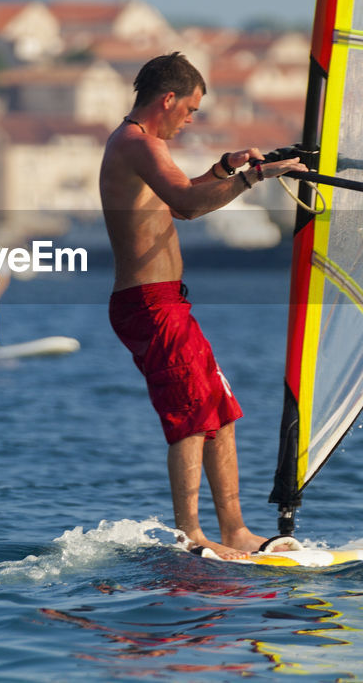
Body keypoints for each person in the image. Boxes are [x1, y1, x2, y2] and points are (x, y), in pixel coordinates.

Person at [99, 52, 307, 560]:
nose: (191, 119)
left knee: (218, 407)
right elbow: (189, 206)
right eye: (190, 109)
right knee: (192, 414)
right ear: (167, 100)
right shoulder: (136, 143)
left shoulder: (141, 146)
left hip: (165, 302)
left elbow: (178, 200)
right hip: (149, 304)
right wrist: (256, 178)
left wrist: (222, 169)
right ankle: (190, 535)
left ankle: (234, 531)